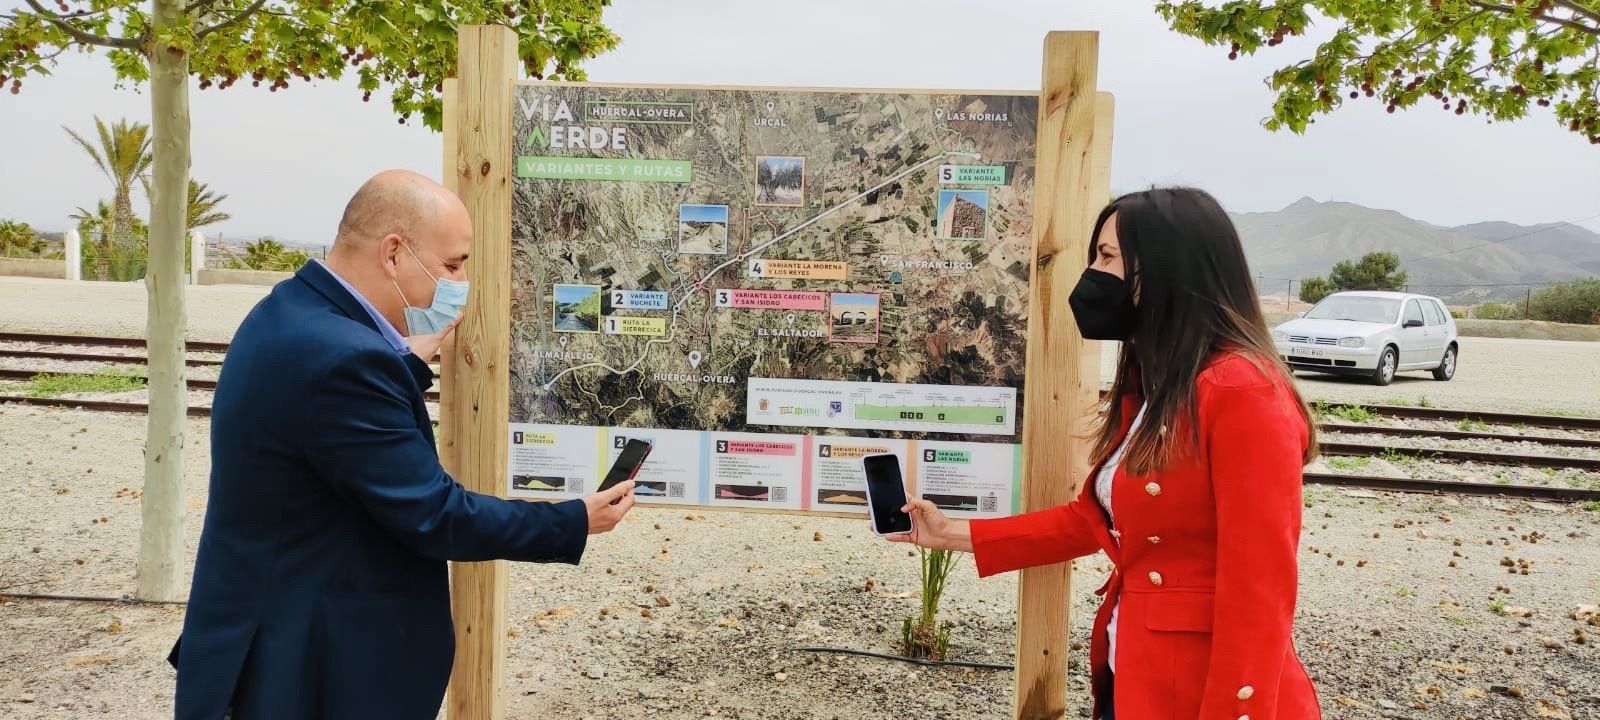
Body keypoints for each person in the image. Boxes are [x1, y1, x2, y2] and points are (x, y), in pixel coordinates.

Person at [167, 170, 637, 719]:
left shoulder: (291, 311)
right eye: (453, 265)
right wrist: (573, 520)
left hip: (258, 637)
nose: (461, 282)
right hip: (302, 672)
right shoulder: (346, 360)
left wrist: (404, 363)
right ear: (394, 254)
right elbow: (435, 515)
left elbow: (333, 436)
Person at [891, 187, 1322, 720]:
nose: (1093, 274)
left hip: (1196, 695)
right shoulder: (1161, 387)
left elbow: (1260, 586)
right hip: (1137, 676)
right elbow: (1090, 521)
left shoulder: (1240, 390)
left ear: (1165, 268)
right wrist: (949, 533)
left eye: (1107, 256)